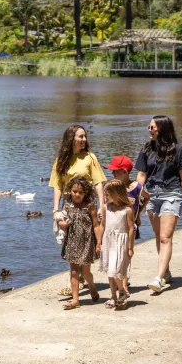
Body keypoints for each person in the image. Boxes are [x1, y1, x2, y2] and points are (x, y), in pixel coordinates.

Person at [134, 115, 182, 294]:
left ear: (162, 129)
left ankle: (158, 278)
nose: (149, 129)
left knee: (165, 237)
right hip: (151, 195)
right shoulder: (146, 149)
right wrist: (136, 197)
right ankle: (166, 270)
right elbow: (142, 174)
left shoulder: (179, 150)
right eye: (149, 127)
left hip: (172, 194)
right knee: (158, 235)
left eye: (152, 127)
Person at [49, 124, 107, 296]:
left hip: (87, 204)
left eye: (85, 137)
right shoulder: (61, 160)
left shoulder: (90, 157)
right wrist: (55, 210)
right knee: (71, 243)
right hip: (69, 205)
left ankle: (83, 276)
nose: (84, 140)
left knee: (86, 240)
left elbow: (98, 183)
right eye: (80, 137)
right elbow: (57, 186)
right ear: (71, 139)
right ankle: (78, 280)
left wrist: (102, 206)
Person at [104, 155, 151, 292]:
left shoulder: (136, 187)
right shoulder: (113, 187)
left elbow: (146, 197)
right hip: (115, 227)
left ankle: (124, 284)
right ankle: (118, 280)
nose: (112, 174)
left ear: (125, 171)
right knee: (114, 254)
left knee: (126, 254)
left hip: (130, 227)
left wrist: (138, 213)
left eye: (115, 171)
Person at [56, 176, 101, 309]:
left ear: (85, 193)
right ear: (70, 190)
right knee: (74, 271)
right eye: (74, 191)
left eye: (80, 192)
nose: (77, 194)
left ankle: (92, 286)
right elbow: (60, 219)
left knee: (85, 271)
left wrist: (99, 242)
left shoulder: (90, 206)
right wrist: (61, 223)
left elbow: (96, 225)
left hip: (87, 241)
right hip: (72, 240)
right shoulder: (67, 204)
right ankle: (76, 299)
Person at [98, 179, 136, 309]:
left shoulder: (127, 210)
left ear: (117, 194)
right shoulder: (105, 208)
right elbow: (102, 225)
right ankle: (114, 296)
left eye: (107, 194)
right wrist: (99, 242)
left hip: (120, 242)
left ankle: (122, 291)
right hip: (108, 241)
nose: (105, 197)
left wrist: (130, 247)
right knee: (110, 271)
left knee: (116, 270)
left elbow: (131, 228)